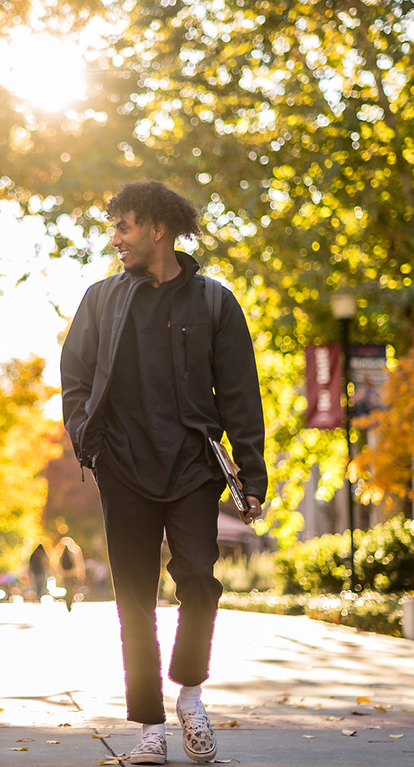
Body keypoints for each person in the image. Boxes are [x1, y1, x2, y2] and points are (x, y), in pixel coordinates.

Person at [59, 180, 268, 765]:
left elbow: (241, 394)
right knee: (134, 603)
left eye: (124, 226)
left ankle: (190, 694)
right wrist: (87, 440)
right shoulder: (101, 299)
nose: (116, 239)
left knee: (200, 579)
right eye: (114, 227)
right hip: (123, 468)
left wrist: (251, 477)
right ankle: (149, 728)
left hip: (193, 468)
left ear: (157, 228)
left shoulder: (214, 302)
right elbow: (74, 374)